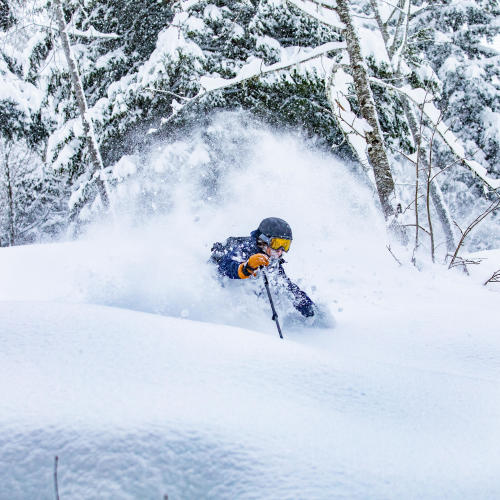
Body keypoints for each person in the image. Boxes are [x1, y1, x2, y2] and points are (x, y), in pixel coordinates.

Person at [214, 217, 316, 318]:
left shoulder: (272, 258)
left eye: (285, 245)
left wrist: (309, 308)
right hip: (218, 291)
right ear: (263, 240)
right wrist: (247, 267)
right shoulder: (246, 248)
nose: (280, 250)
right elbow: (224, 265)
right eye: (277, 243)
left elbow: (286, 286)